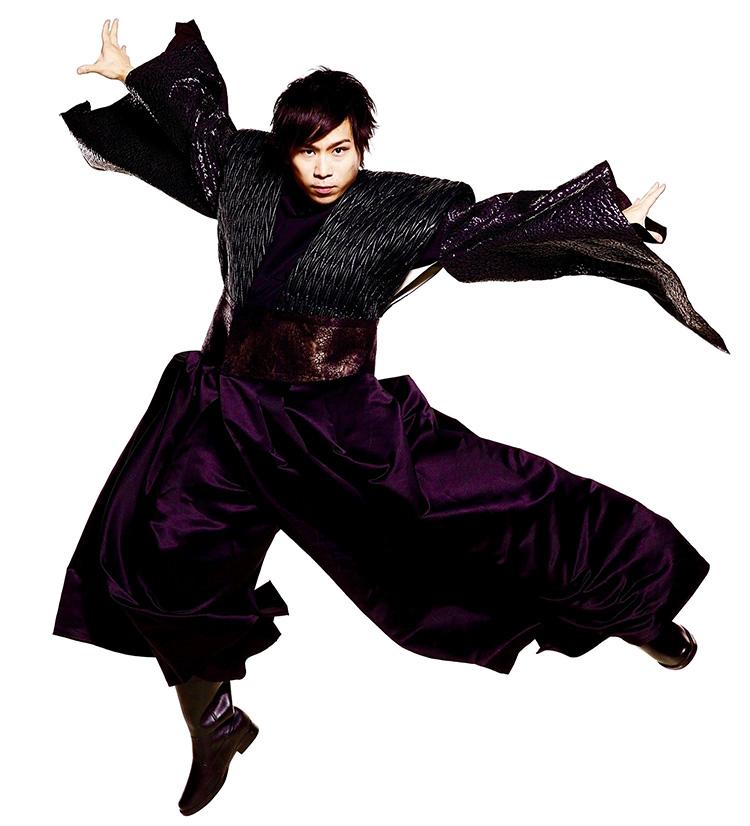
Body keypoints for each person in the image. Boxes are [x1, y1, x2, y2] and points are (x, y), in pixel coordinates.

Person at [53, 18, 726, 818]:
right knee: (159, 555)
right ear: (284, 147)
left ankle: (637, 608)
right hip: (223, 416)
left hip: (336, 428)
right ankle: (215, 724)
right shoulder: (245, 169)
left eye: (339, 149)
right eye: (307, 150)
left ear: (361, 145)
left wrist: (606, 220)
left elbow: (495, 227)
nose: (323, 166)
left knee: (503, 508)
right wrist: (133, 73)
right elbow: (199, 125)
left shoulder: (403, 206)